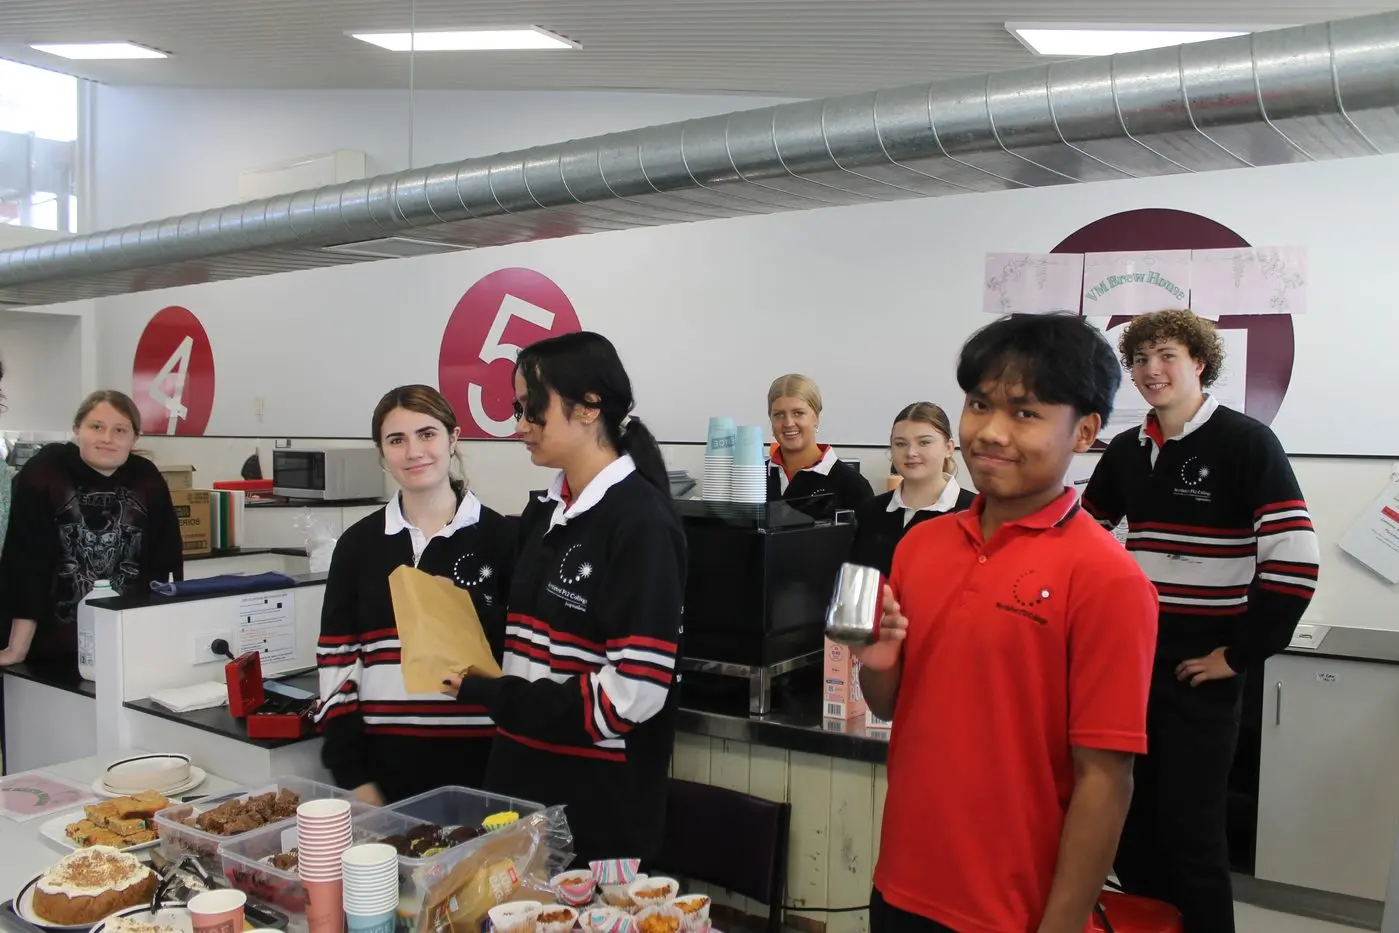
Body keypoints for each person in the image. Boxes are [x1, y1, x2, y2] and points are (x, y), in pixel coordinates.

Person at [858, 313, 1158, 933]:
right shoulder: (920, 547)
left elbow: (1106, 779)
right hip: (901, 884)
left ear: (1085, 432)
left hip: (1012, 909)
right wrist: (878, 660)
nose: (990, 432)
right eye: (978, 404)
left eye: (1025, 413)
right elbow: (891, 707)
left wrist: (1062, 924)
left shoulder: (1108, 579)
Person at [1083, 309, 1319, 933]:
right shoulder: (1128, 451)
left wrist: (1238, 655)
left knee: (1192, 837)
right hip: (1135, 667)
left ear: (1199, 363)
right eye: (1139, 360)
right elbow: (1084, 542)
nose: (1151, 371)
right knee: (1133, 829)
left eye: (1166, 355)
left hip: (1205, 672)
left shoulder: (1245, 443)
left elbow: (1295, 561)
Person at [446, 331, 686, 866]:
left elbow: (630, 696)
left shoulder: (638, 522)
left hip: (597, 807)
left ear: (588, 408)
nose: (519, 425)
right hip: (522, 785)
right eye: (518, 408)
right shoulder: (546, 511)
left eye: (533, 410)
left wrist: (495, 694)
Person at [316, 386, 515, 804]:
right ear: (381, 453)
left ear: (453, 439)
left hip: (488, 770)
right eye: (396, 440)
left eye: (427, 434)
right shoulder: (357, 546)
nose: (414, 451)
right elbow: (337, 666)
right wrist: (353, 776)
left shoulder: (504, 539)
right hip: (383, 774)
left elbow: (521, 662)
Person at [0, 390, 183, 671]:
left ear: (135, 438)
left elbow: (167, 563)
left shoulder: (147, 479)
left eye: (119, 430)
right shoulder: (46, 472)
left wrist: (164, 636)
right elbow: (26, 562)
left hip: (131, 640)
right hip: (51, 646)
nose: (107, 438)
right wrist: (17, 648)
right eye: (96, 427)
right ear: (77, 429)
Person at [849, 402, 975, 576]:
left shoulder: (976, 512)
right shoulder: (868, 513)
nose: (911, 452)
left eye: (924, 442)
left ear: (949, 448)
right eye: (901, 444)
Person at [765, 374, 873, 513]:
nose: (788, 423)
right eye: (779, 414)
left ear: (816, 417)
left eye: (798, 413)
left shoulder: (852, 485)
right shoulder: (753, 479)